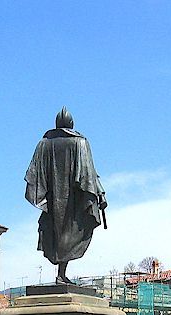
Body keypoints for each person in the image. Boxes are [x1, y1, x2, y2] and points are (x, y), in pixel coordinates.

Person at [25, 107, 107, 285]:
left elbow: (34, 175)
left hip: (52, 201)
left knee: (56, 234)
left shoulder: (43, 144)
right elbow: (89, 174)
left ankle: (61, 274)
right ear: (71, 124)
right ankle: (61, 273)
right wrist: (100, 193)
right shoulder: (80, 143)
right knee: (70, 234)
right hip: (75, 201)